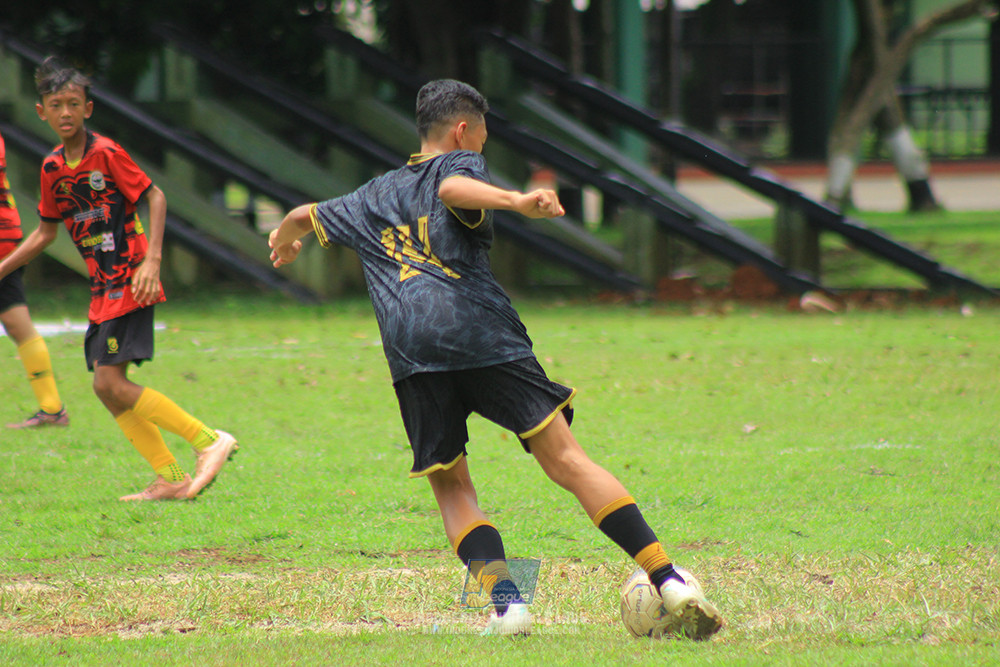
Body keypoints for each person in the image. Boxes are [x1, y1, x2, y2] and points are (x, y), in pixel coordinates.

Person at [267, 79, 723, 639]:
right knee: (567, 460)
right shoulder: (458, 164)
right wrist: (516, 200)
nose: (481, 149)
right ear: (463, 131)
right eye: (482, 139)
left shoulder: (369, 196)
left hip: (413, 352)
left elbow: (301, 214)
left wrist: (285, 240)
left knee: (453, 487)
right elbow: (453, 188)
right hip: (482, 333)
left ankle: (509, 607)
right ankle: (668, 579)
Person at [0, 57, 237, 501]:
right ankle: (170, 477)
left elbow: (155, 196)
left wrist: (153, 261)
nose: (66, 112)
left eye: (74, 104)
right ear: (41, 112)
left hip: (131, 280)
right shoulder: (52, 169)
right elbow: (45, 234)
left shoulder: (105, 153)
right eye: (56, 105)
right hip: (103, 288)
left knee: (110, 383)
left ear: (88, 109)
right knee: (105, 389)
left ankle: (208, 440)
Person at [1, 129, 70, 429]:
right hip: (6, 238)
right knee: (18, 323)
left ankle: (52, 409)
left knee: (19, 324)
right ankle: (52, 409)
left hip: (3, 240)